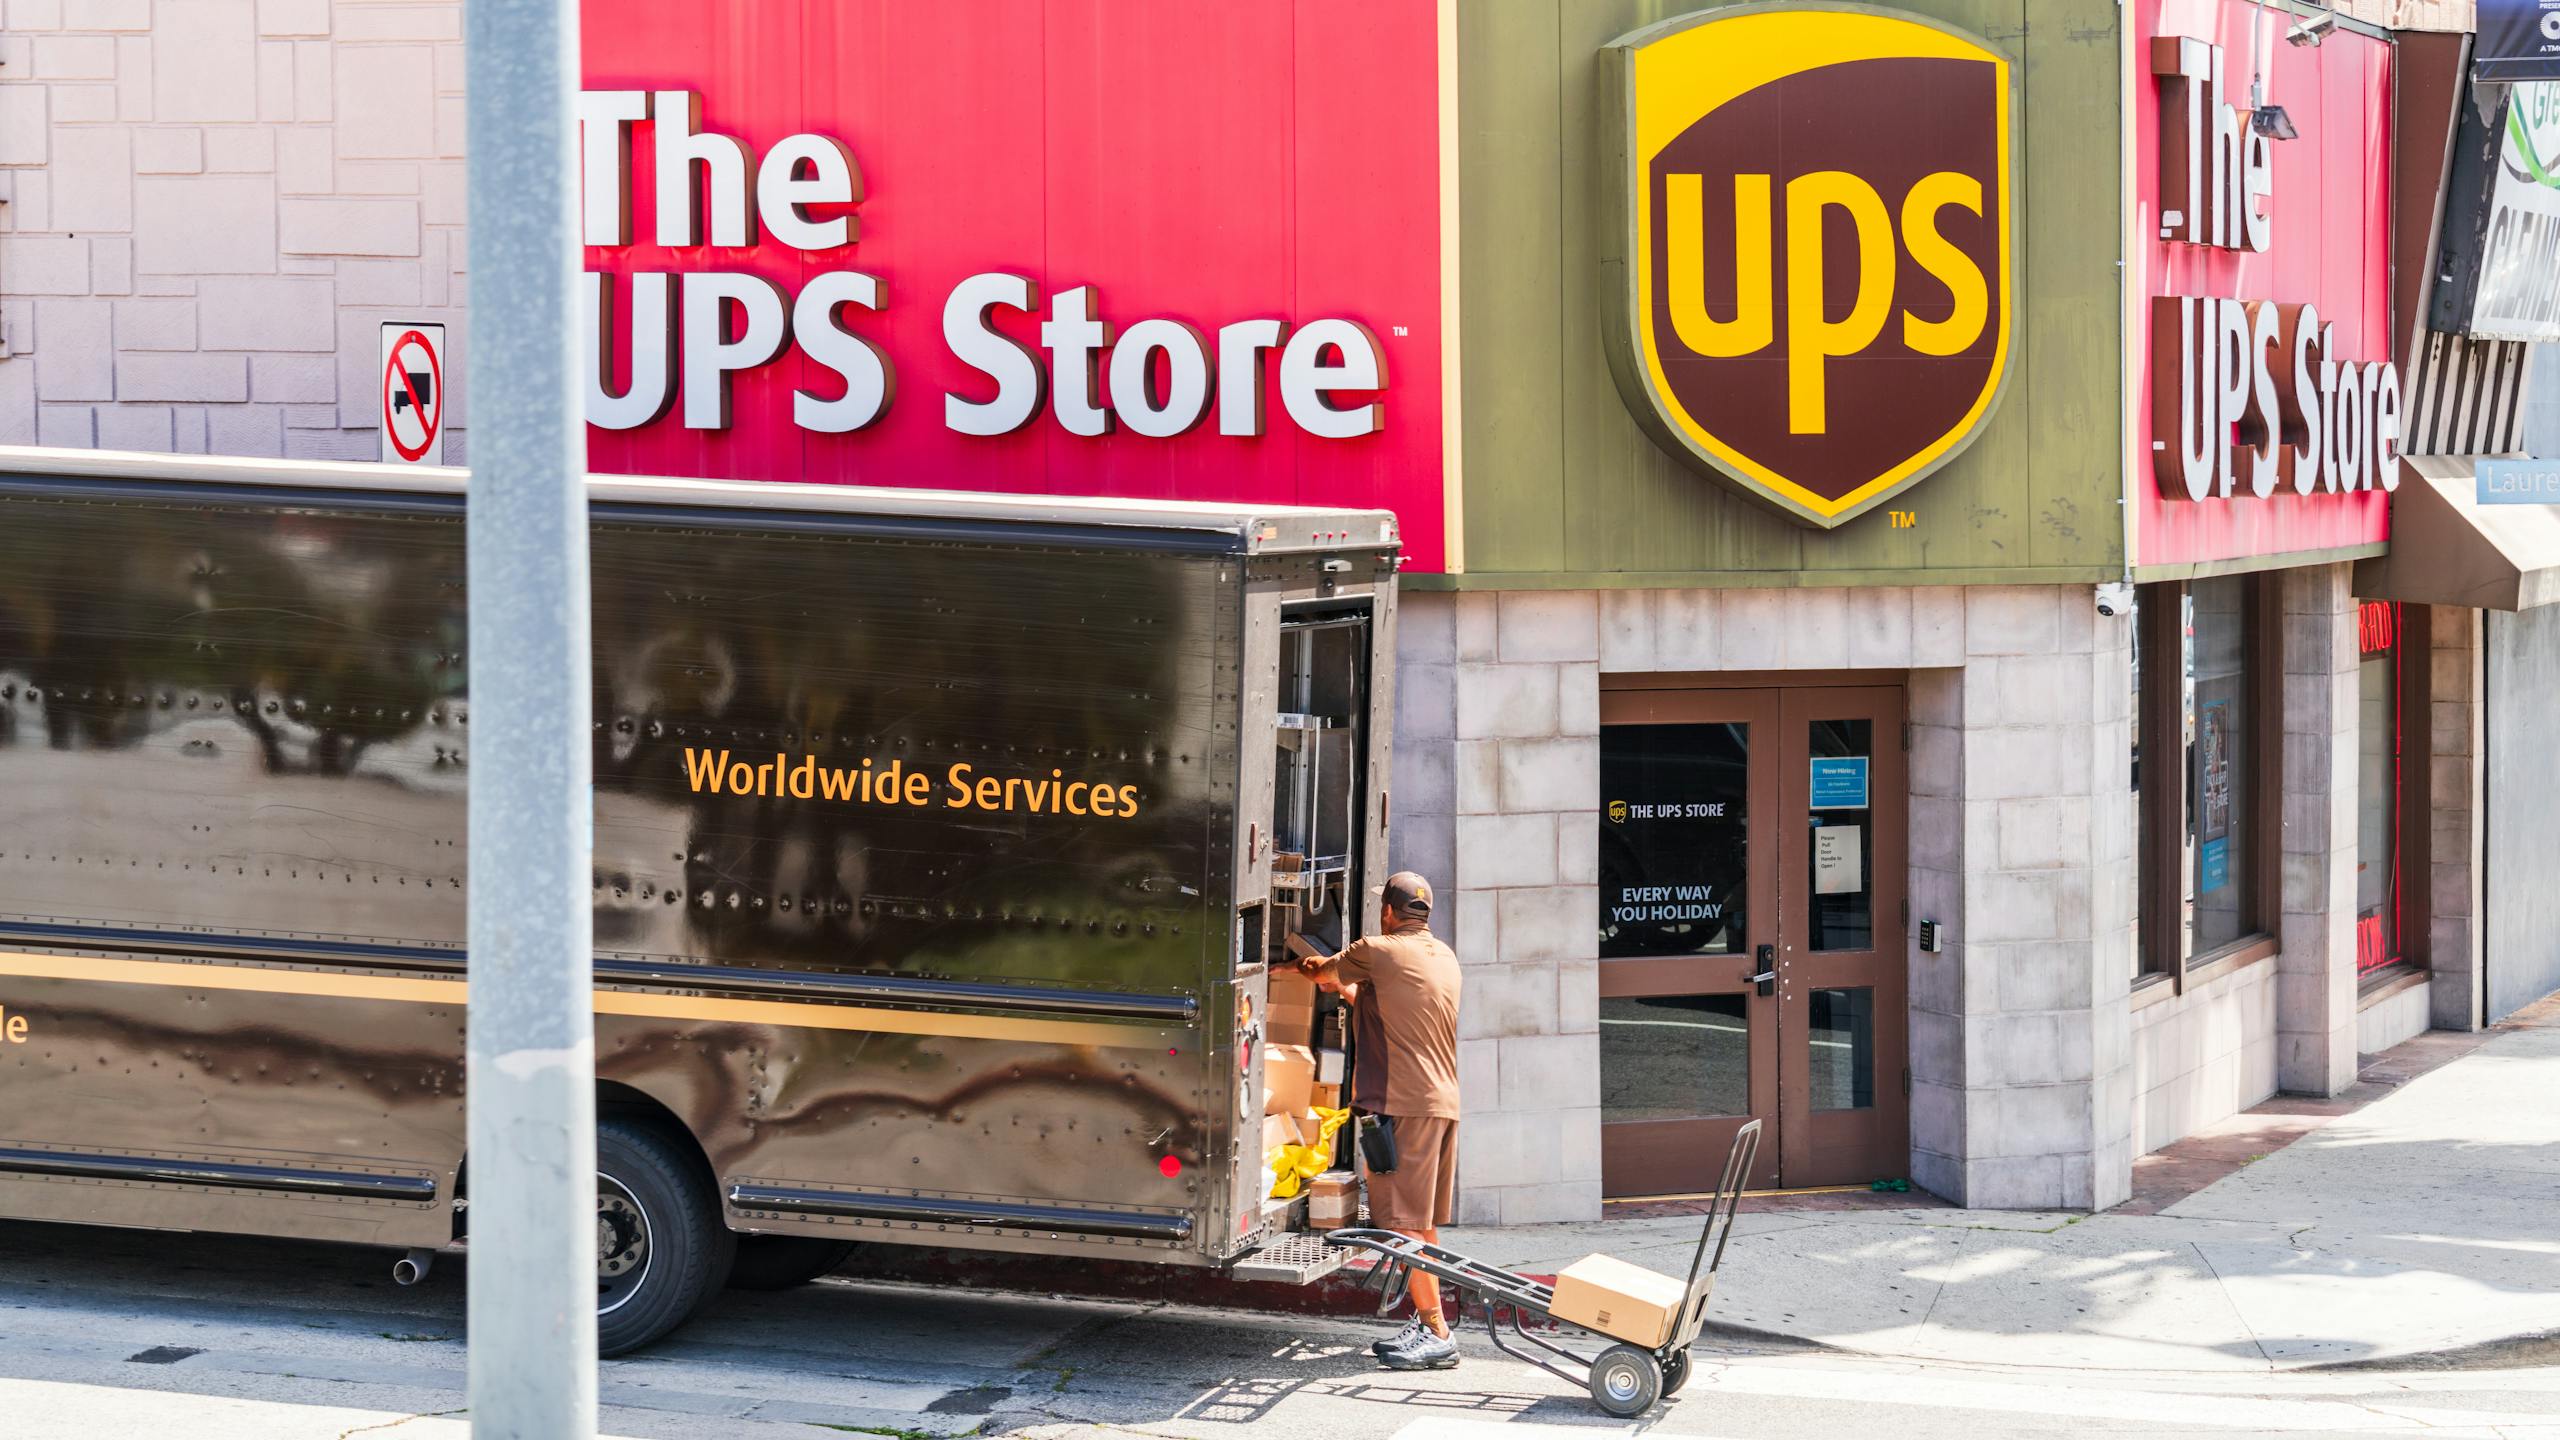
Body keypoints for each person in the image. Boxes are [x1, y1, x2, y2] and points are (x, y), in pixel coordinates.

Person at [1299, 870, 1462, 1371]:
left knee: (1405, 1227)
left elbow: (1324, 973)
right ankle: (1429, 1318)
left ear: (1388, 912)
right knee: (1423, 1226)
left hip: (1402, 1106)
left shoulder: (1379, 948)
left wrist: (1299, 965)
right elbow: (1382, 1006)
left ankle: (1437, 1332)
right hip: (1439, 1103)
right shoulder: (1441, 956)